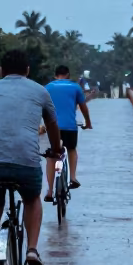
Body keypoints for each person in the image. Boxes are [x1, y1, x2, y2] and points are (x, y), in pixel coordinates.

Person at [0, 48, 62, 265]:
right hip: (26, 160)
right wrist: (56, 150)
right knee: (32, 199)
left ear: (0, 70)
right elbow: (52, 125)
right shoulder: (39, 90)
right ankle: (32, 250)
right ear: (28, 70)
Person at [44, 64, 92, 199]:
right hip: (70, 127)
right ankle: (73, 177)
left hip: (52, 127)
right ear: (68, 75)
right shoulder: (75, 87)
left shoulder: (47, 88)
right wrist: (88, 123)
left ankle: (49, 191)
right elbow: (83, 108)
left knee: (52, 155)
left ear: (55, 75)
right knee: (71, 149)